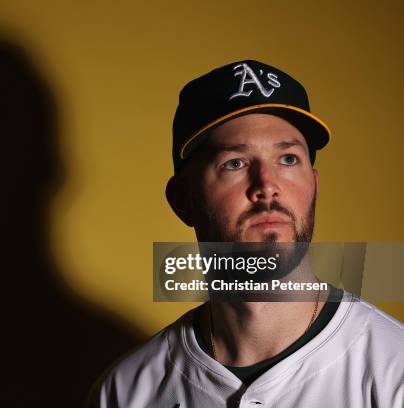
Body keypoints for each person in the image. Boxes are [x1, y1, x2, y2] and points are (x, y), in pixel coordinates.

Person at [89, 60, 403, 407]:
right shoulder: (126, 391)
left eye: (287, 159)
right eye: (234, 163)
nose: (267, 186)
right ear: (183, 200)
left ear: (313, 185)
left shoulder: (394, 370)